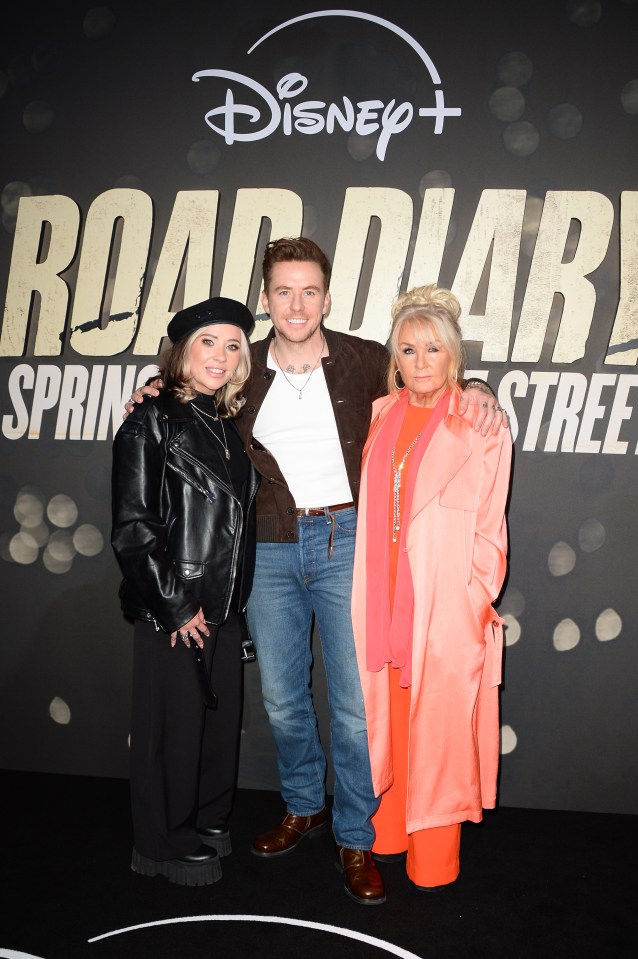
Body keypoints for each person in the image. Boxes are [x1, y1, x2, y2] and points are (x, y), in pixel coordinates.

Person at [126, 237, 507, 904]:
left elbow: (433, 371)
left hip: (350, 543)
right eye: (283, 291)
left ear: (326, 298)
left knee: (357, 708)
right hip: (269, 548)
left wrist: (477, 386)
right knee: (282, 696)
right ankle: (303, 806)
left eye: (309, 291)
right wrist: (157, 385)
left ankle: (356, 836)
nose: (296, 303)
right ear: (266, 300)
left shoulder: (365, 360)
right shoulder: (240, 375)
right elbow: (185, 399)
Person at [351, 284, 512, 893]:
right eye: (410, 350)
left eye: (434, 350)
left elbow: (493, 527)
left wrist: (474, 598)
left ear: (455, 359)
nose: (421, 363)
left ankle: (434, 863)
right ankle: (387, 837)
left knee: (437, 734)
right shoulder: (379, 413)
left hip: (442, 603)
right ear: (396, 356)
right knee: (387, 723)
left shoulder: (479, 424)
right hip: (380, 595)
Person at [112, 296, 259, 886]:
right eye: (208, 342)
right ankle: (161, 844)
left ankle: (206, 820)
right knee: (169, 731)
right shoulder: (150, 419)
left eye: (232, 346)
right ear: (180, 352)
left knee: (215, 729)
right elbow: (134, 527)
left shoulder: (226, 423)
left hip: (224, 606)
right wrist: (174, 604)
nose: (220, 356)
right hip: (173, 606)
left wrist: (229, 606)